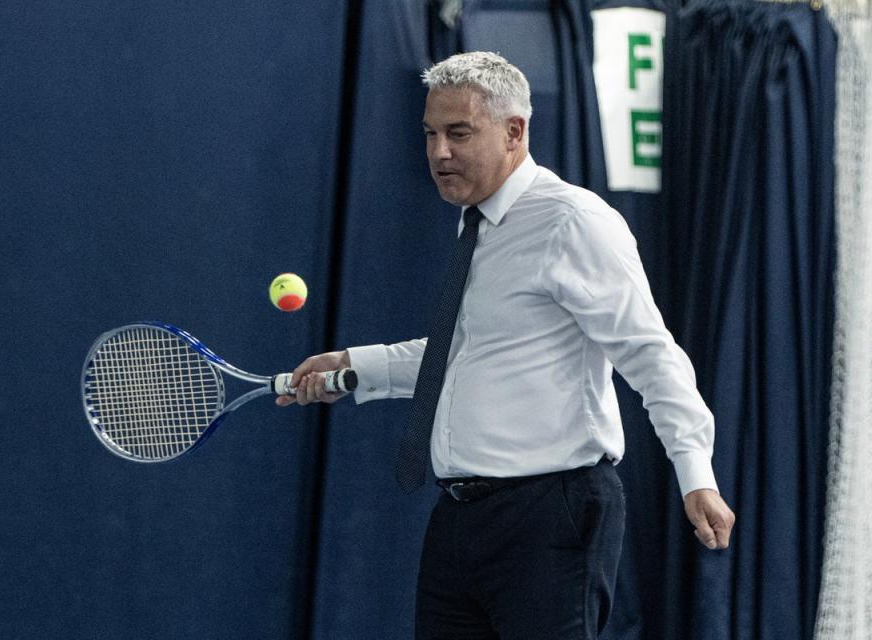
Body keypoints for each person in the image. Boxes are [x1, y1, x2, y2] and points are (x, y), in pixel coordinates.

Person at [276, 51, 735, 640]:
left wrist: (696, 472)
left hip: (552, 519)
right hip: (461, 522)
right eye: (431, 134)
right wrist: (350, 367)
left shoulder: (573, 222)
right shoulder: (476, 224)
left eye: (459, 133)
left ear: (514, 131)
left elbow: (651, 353)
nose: (439, 153)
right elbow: (466, 353)